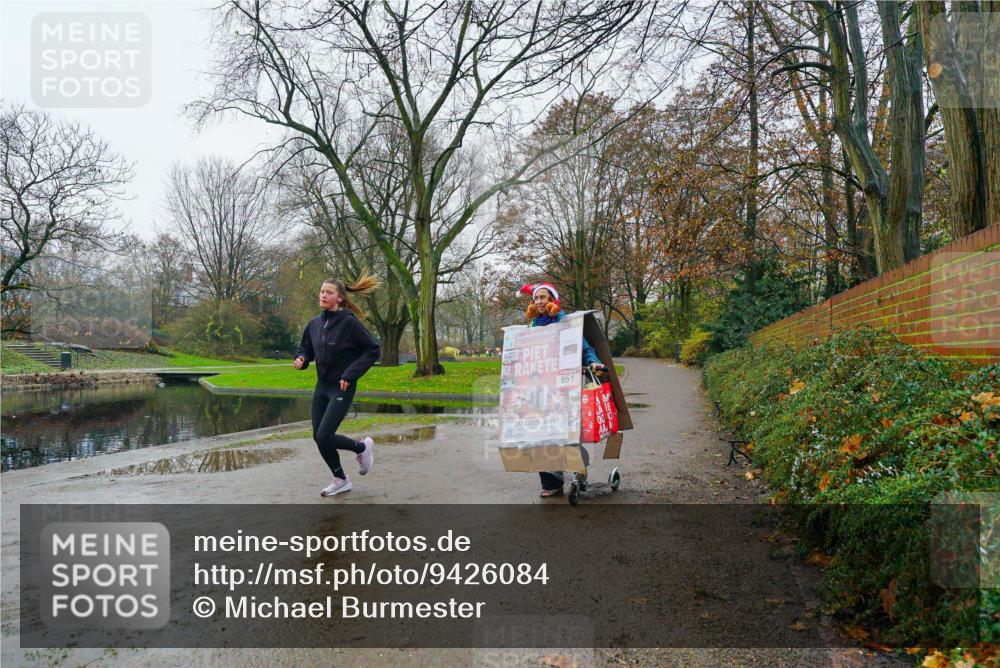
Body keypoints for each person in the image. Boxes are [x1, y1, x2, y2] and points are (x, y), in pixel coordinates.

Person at [294, 273, 382, 497]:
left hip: (341, 387)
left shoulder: (349, 323)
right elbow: (306, 348)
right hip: (322, 387)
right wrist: (302, 359)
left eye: (329, 292)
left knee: (324, 436)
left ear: (340, 298)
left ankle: (362, 448)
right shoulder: (314, 324)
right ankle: (341, 479)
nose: (323, 295)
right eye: (322, 291)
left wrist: (350, 374)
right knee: (318, 437)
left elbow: (373, 349)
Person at [519, 282, 605, 498]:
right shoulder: (532, 327)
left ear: (552, 300)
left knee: (567, 432)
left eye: (543, 297)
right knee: (541, 433)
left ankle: (578, 471)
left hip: (565, 385)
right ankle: (552, 482)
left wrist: (593, 362)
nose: (539, 301)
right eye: (536, 298)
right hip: (540, 388)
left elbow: (585, 347)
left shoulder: (566, 323)